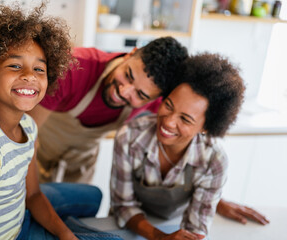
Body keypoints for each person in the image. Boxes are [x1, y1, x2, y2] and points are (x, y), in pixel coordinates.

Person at [27, 36, 269, 225]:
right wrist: (33, 195)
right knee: (32, 210)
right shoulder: (75, 67)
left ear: (155, 98)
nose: (125, 91)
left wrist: (214, 200)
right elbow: (26, 133)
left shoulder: (162, 107)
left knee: (75, 216)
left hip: (82, 154)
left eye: (140, 95)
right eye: (128, 75)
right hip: (37, 142)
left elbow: (182, 144)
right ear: (130, 54)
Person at [0, 3, 122, 240]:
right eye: (15, 66)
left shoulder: (27, 125)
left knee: (94, 196)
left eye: (39, 69)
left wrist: (68, 237)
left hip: (21, 218)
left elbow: (33, 195)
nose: (29, 76)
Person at [109, 53, 250, 239]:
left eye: (185, 119)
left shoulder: (213, 160)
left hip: (175, 224)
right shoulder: (129, 137)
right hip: (129, 225)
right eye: (168, 105)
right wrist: (159, 237)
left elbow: (196, 227)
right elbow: (123, 205)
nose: (168, 122)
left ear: (206, 127)